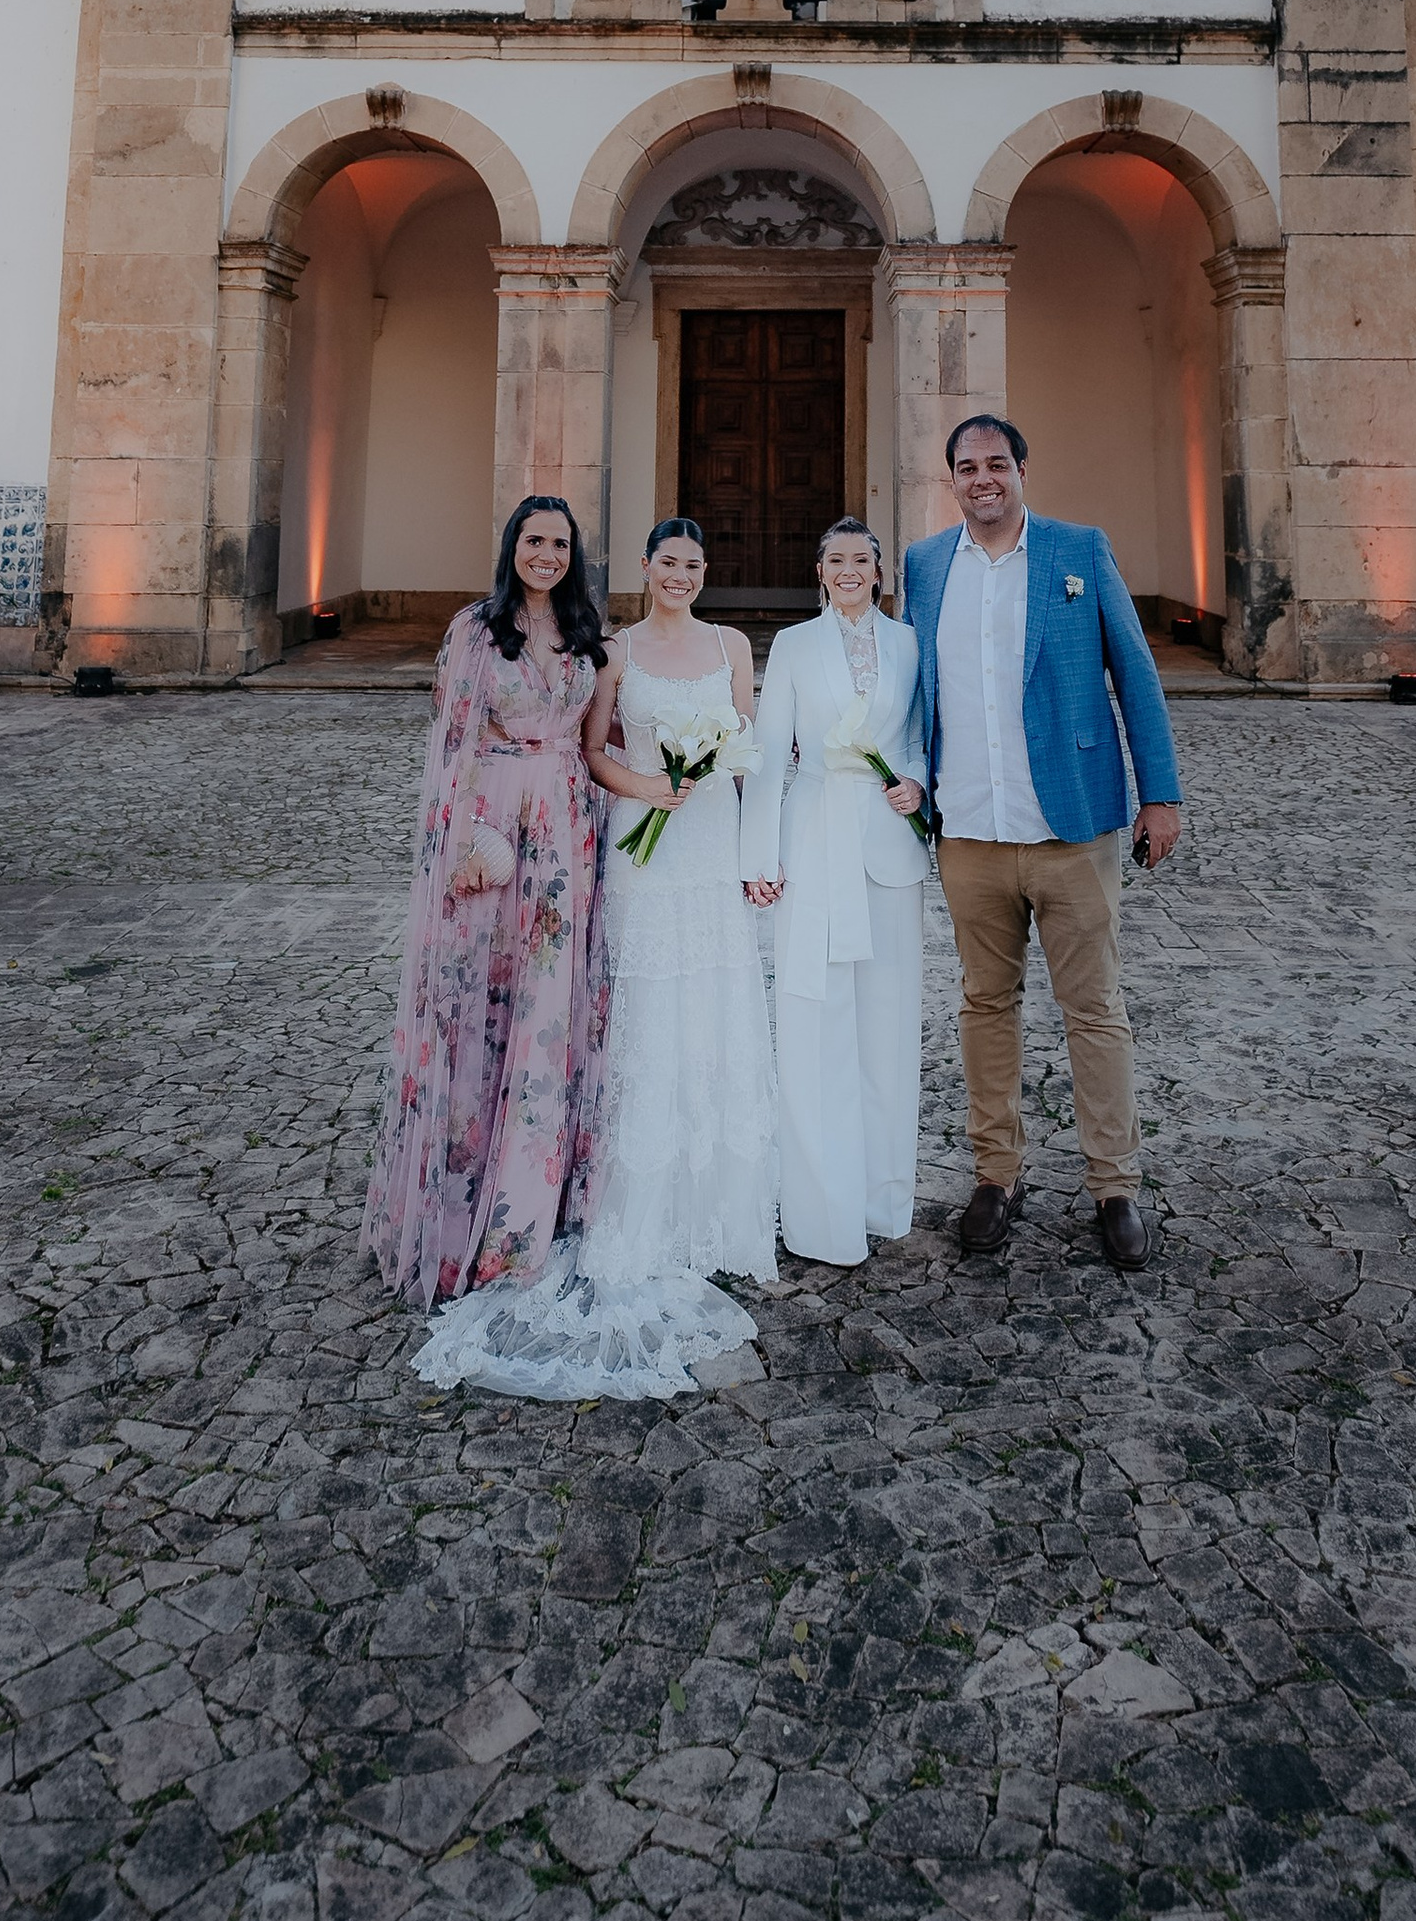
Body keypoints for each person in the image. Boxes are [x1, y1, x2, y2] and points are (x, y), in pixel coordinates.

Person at [412, 513, 781, 1397]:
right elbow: (586, 747)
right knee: (609, 1006)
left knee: (671, 1007)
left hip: (658, 841)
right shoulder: (598, 646)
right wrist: (651, 787)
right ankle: (522, 1192)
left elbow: (749, 747)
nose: (681, 574)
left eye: (695, 563)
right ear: (646, 568)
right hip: (584, 835)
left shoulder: (632, 640)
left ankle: (701, 1197)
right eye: (667, 561)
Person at [900, 414, 1183, 1272]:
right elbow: (911, 685)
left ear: (1022, 468)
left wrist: (1159, 793)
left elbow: (1134, 671)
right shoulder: (924, 565)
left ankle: (1115, 1186)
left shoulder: (1078, 551)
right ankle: (997, 1175)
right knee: (985, 1005)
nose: (980, 478)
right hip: (971, 832)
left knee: (1092, 1007)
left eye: (995, 463)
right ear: (950, 480)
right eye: (965, 467)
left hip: (1073, 825)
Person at [359, 495, 608, 1305]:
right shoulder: (474, 630)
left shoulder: (583, 633)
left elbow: (599, 739)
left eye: (560, 543)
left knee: (549, 1007)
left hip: (567, 833)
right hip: (495, 835)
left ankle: (535, 1204)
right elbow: (452, 741)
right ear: (512, 548)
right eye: (534, 540)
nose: (547, 554)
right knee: (478, 1001)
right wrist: (463, 838)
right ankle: (462, 1195)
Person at [744, 517, 928, 1265]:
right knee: (816, 1024)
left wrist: (920, 783)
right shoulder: (793, 646)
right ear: (820, 573)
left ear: (879, 573)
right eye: (837, 560)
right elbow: (765, 756)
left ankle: (884, 1200)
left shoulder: (910, 645)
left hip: (888, 851)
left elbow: (917, 736)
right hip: (813, 838)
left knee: (889, 1026)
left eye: (862, 559)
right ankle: (822, 1212)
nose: (850, 570)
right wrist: (758, 854)